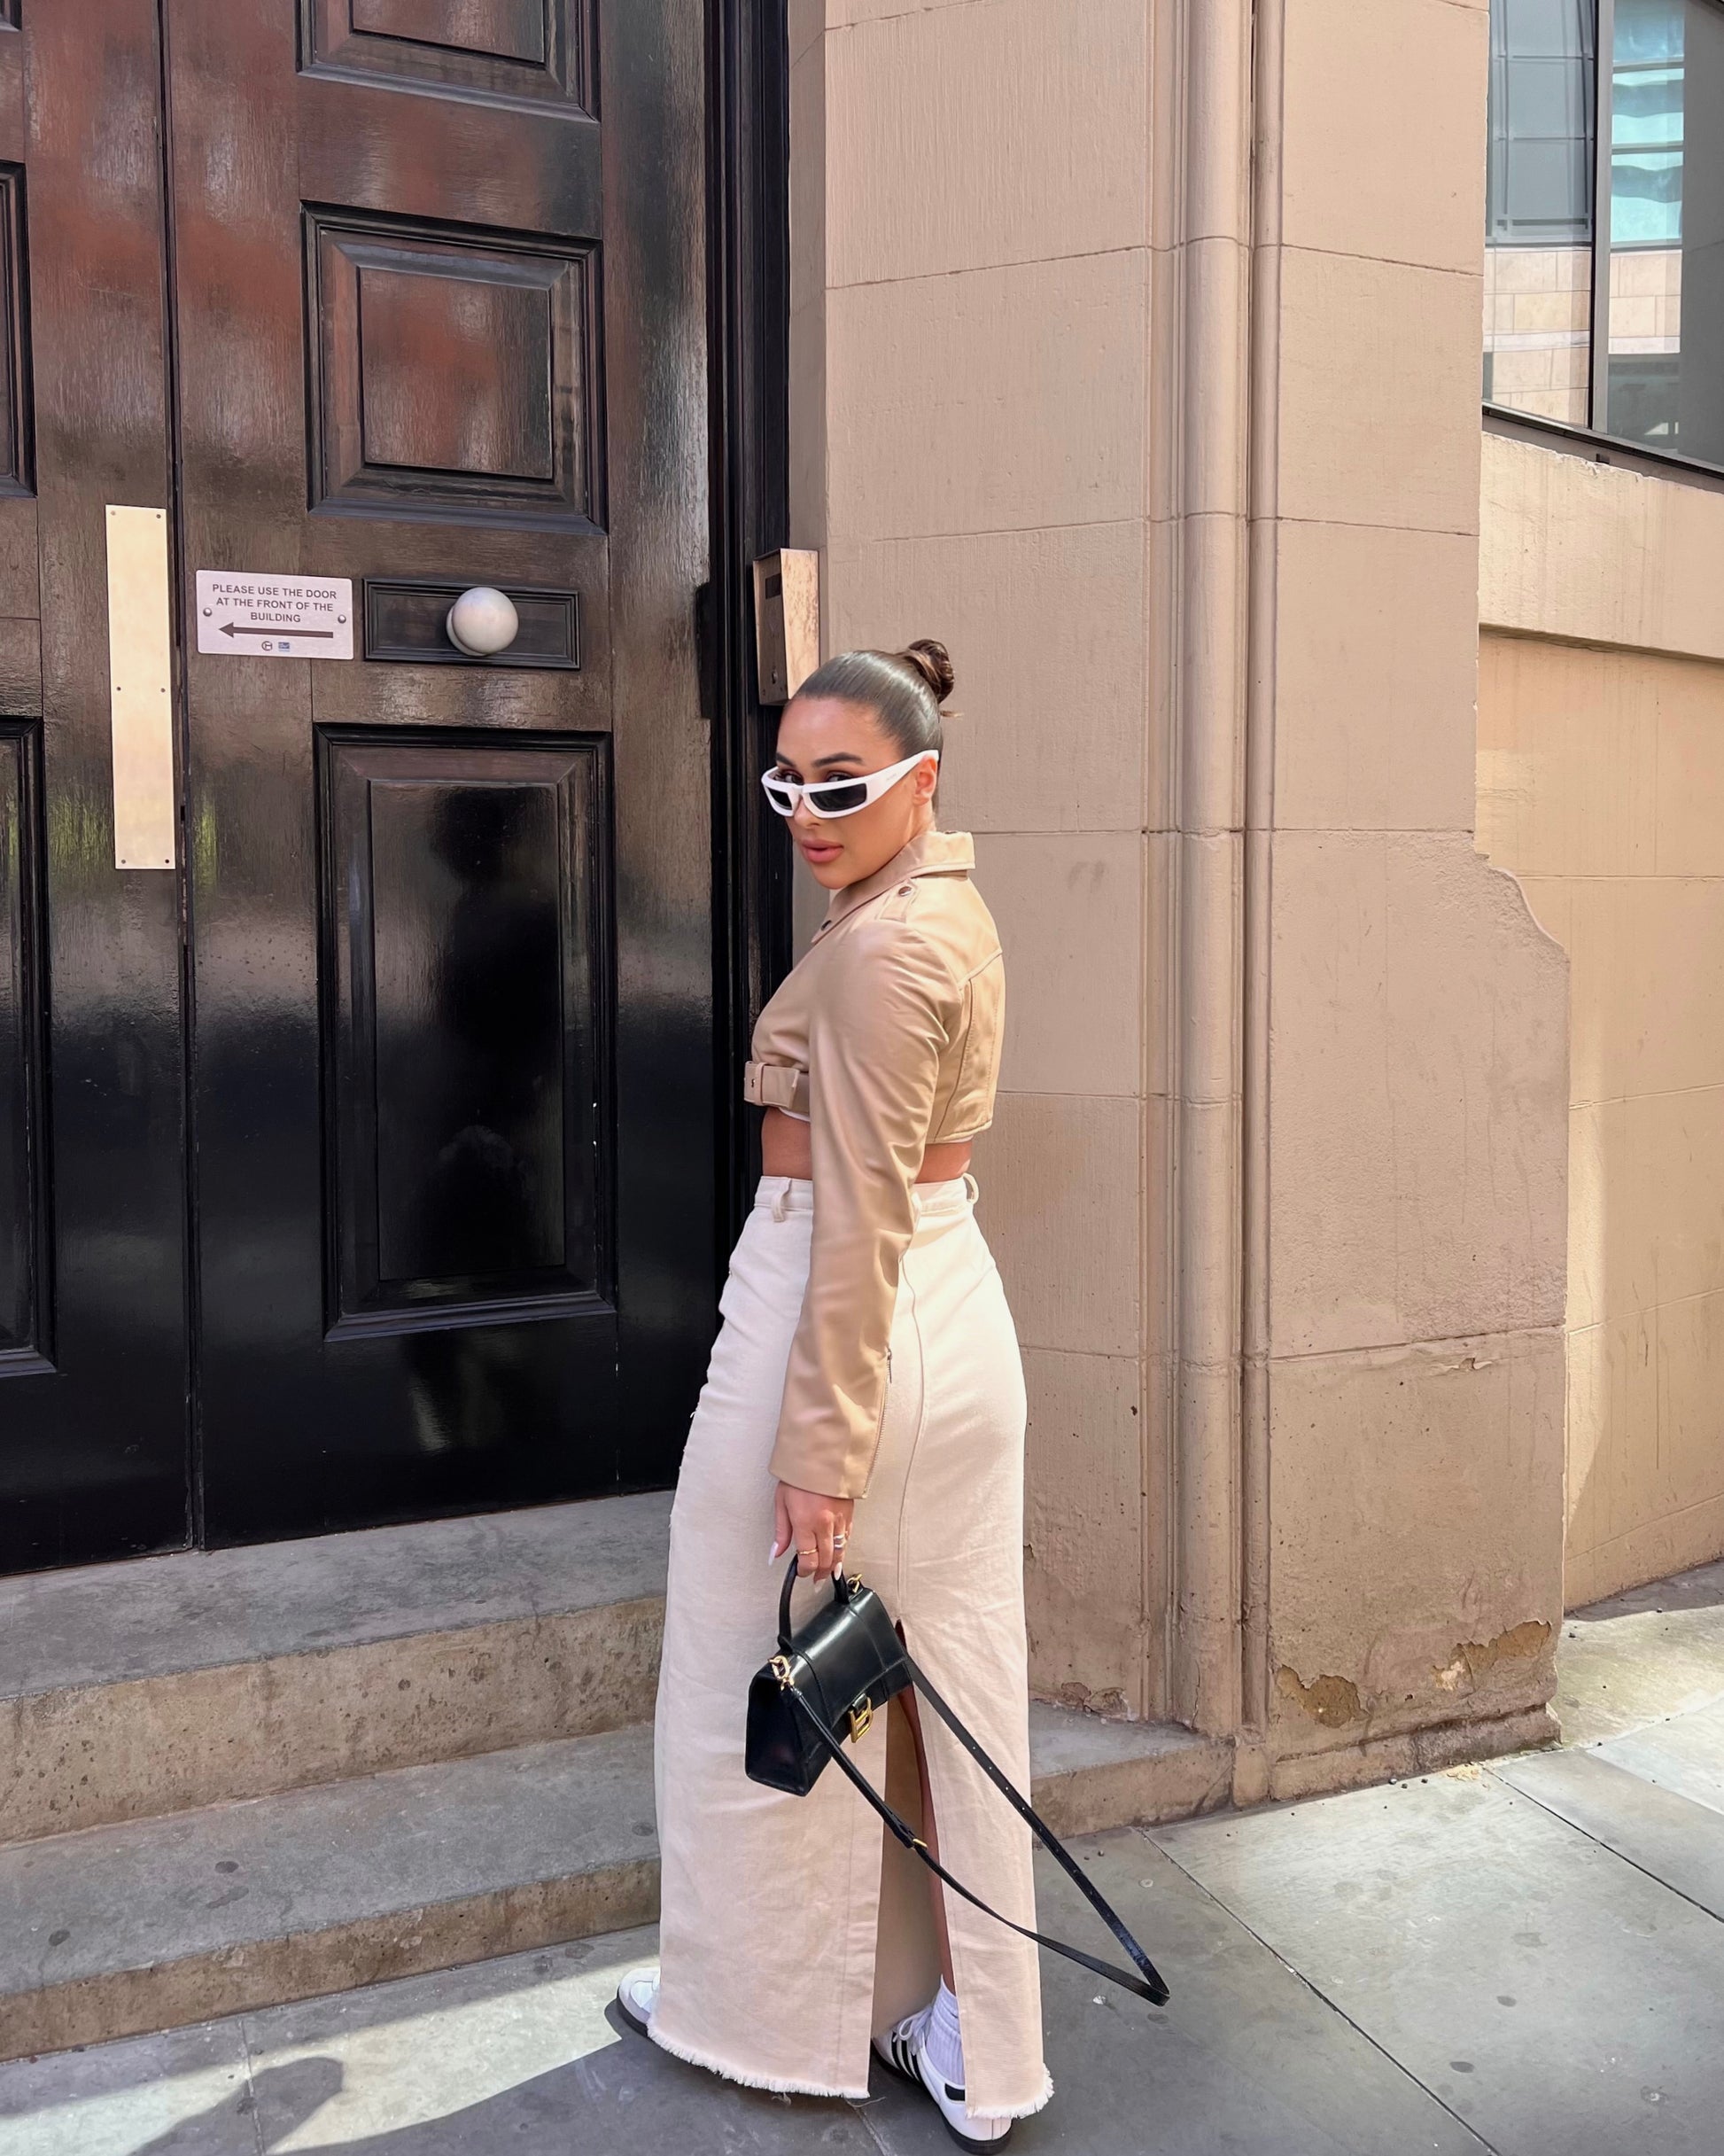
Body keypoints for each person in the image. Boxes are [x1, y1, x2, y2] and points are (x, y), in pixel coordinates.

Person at [617, 640, 1050, 2146]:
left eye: (841, 784)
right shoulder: (930, 910)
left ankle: (773, 2015)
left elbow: (855, 1218)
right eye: (786, 780)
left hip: (849, 1311)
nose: (806, 808)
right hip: (925, 1311)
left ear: (920, 781)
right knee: (935, 1694)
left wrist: (820, 1452)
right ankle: (954, 2039)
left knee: (756, 1668)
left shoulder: (880, 952)